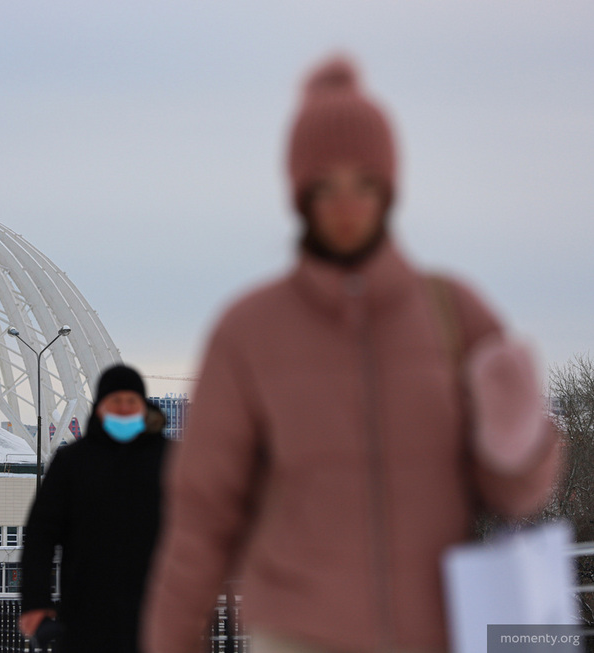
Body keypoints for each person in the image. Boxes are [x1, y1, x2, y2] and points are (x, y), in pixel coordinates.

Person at [141, 55, 561, 653]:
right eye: (326, 186)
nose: (346, 205)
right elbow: (202, 514)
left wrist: (517, 444)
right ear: (300, 195)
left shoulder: (455, 314)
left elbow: (520, 496)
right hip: (299, 634)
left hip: (438, 631)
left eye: (364, 184)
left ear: (389, 189)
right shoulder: (249, 333)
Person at [19, 364, 169, 653]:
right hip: (87, 611)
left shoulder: (172, 460)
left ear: (143, 406)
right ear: (100, 407)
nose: (124, 408)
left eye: (131, 401)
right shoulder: (72, 462)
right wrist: (36, 602)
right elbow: (41, 536)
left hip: (159, 608)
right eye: (115, 401)